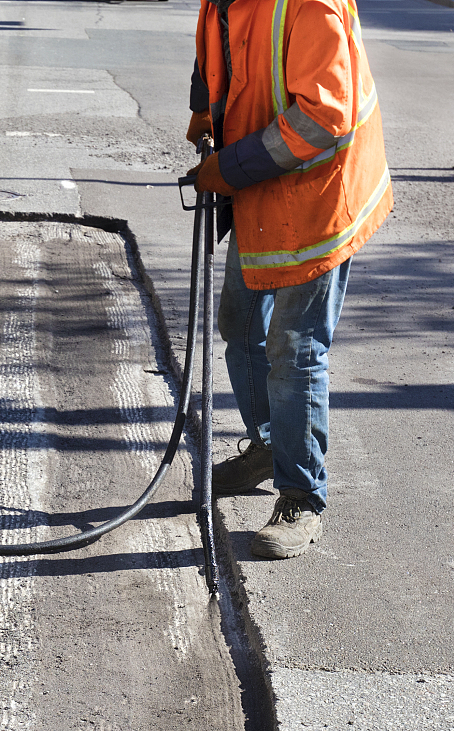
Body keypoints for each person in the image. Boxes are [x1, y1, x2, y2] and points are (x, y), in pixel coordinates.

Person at [186, 0, 391, 559]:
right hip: (266, 190)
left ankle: (300, 496)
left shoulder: (310, 5)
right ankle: (270, 445)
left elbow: (322, 118)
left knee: (294, 348)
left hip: (320, 199)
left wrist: (226, 169)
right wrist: (204, 108)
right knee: (240, 321)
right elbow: (223, 48)